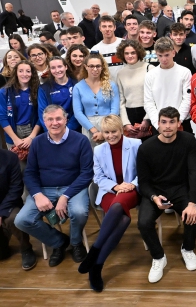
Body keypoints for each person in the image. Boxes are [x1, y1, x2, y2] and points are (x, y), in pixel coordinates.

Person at [15, 104, 93, 267]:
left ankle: (76, 242)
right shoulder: (37, 143)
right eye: (50, 119)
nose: (54, 123)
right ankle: (59, 242)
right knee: (22, 220)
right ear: (44, 122)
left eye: (58, 118)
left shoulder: (81, 140)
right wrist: (37, 194)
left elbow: (86, 173)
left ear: (66, 119)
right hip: (44, 190)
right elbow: (30, 173)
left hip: (73, 188)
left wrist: (65, 196)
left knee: (78, 212)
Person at [136, 106, 196, 283]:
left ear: (179, 124)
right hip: (156, 191)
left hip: (180, 188)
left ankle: (187, 249)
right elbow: (143, 182)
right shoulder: (146, 148)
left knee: (193, 215)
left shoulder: (188, 140)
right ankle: (158, 257)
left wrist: (193, 202)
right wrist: (153, 197)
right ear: (158, 124)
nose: (168, 126)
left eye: (172, 122)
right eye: (164, 122)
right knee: (143, 222)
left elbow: (194, 172)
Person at [79, 115, 141, 292]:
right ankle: (97, 266)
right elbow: (98, 178)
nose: (110, 135)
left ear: (121, 130)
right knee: (123, 220)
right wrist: (116, 186)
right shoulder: (98, 151)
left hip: (131, 190)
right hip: (109, 191)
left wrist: (131, 185)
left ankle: (94, 252)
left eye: (114, 131)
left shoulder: (136, 145)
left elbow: (144, 172)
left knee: (117, 207)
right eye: (106, 132)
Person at [144, 38, 192, 133]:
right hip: (158, 124)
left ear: (173, 53)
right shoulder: (150, 75)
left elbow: (188, 99)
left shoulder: (185, 72)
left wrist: (178, 121)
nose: (164, 59)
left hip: (181, 123)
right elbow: (148, 102)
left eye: (167, 55)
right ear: (156, 54)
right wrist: (157, 124)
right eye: (160, 55)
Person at [73, 54, 119, 148]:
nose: (95, 69)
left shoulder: (111, 85)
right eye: (91, 66)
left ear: (102, 67)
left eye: (98, 66)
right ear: (86, 67)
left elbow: (115, 109)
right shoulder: (78, 87)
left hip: (110, 125)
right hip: (88, 126)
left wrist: (105, 131)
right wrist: (94, 130)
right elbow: (78, 112)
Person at [0, 147, 34, 270]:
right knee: (2, 255)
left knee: (14, 218)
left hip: (9, 203)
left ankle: (26, 249)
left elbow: (16, 187)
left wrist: (1, 212)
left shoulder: (9, 157)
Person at [0, 61, 41, 163]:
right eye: (21, 71)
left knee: (35, 164)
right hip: (13, 132)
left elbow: (42, 115)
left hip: (33, 130)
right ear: (16, 73)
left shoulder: (38, 90)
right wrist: (15, 139)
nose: (24, 74)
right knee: (17, 167)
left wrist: (32, 137)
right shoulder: (5, 91)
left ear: (32, 73)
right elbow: (2, 117)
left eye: (28, 71)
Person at [114, 40, 154, 138]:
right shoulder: (120, 73)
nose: (130, 56)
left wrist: (147, 119)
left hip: (148, 112)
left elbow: (155, 97)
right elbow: (121, 101)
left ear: (138, 53)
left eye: (133, 53)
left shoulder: (150, 69)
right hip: (129, 115)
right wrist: (126, 123)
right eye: (126, 53)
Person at [38, 56, 79, 132]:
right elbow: (42, 112)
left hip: (74, 129)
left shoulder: (76, 84)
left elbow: (79, 110)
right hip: (53, 130)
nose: (57, 70)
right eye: (53, 68)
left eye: (60, 66)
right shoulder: (44, 88)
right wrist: (51, 130)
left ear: (66, 67)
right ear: (50, 70)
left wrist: (67, 130)